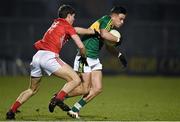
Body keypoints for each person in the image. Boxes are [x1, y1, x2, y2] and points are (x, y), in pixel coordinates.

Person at [6, 4, 94, 120]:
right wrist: (84, 55)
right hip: (49, 57)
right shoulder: (67, 26)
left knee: (32, 90)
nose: (74, 19)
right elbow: (80, 45)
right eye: (73, 16)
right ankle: (58, 99)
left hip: (37, 57)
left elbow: (75, 30)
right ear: (68, 16)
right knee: (76, 79)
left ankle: (11, 111)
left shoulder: (56, 23)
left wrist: (91, 31)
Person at [49, 6, 128, 119]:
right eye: (121, 18)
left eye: (123, 19)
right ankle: (58, 97)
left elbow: (107, 45)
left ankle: (74, 110)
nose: (122, 22)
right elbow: (104, 34)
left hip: (94, 58)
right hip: (85, 57)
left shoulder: (109, 26)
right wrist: (118, 40)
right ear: (114, 16)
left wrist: (119, 55)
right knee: (85, 89)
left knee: (97, 88)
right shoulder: (107, 20)